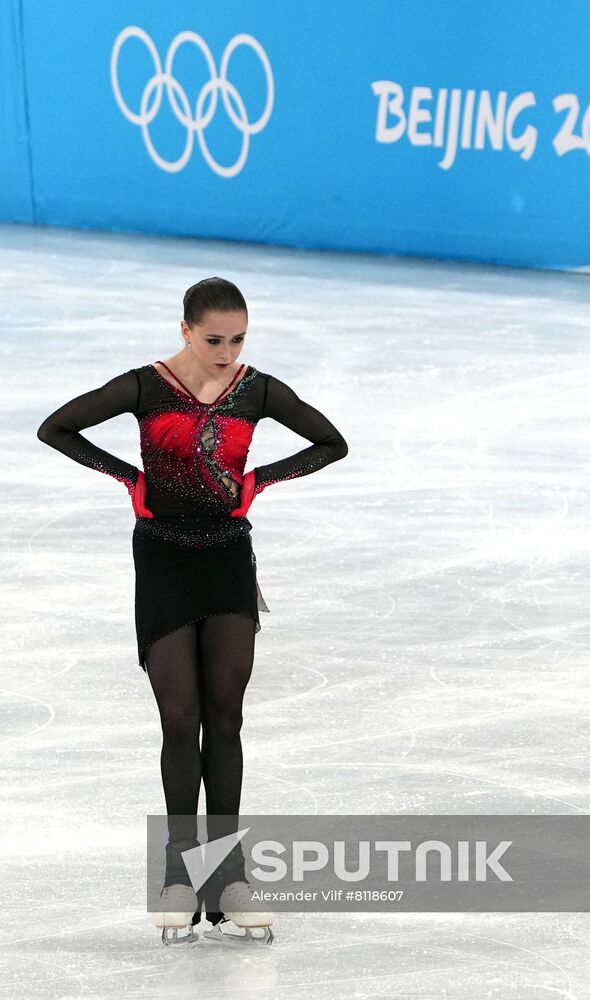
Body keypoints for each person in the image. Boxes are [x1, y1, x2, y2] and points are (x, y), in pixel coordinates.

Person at [36, 276, 348, 945]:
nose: (227, 351)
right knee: (180, 720)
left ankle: (229, 874)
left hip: (228, 560)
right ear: (185, 331)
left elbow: (331, 443)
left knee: (225, 718)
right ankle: (180, 874)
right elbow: (55, 427)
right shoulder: (145, 387)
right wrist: (131, 477)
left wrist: (260, 480)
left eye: (238, 339)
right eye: (214, 339)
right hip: (165, 562)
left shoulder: (256, 389)